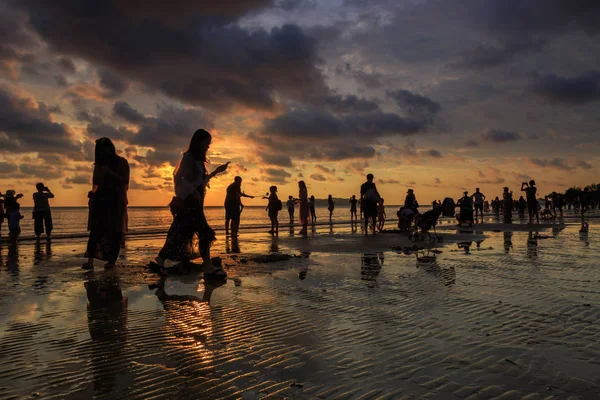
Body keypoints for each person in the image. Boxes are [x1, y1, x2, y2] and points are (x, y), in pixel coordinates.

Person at [152, 129, 229, 278]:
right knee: (202, 233)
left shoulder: (198, 160)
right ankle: (207, 266)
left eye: (209, 143)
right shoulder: (188, 158)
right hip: (190, 204)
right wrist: (191, 191)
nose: (208, 146)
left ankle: (161, 258)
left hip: (196, 204)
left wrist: (215, 172)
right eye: (207, 142)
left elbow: (200, 181)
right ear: (199, 142)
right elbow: (180, 179)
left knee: (180, 233)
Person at [83, 138, 130, 270]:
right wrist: (92, 193)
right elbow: (96, 183)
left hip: (115, 200)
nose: (104, 152)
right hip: (100, 200)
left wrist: (108, 172)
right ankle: (90, 260)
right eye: (100, 150)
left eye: (106, 148)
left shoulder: (121, 162)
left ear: (111, 148)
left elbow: (124, 180)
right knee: (96, 231)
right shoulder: (99, 165)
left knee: (115, 231)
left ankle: (111, 261)